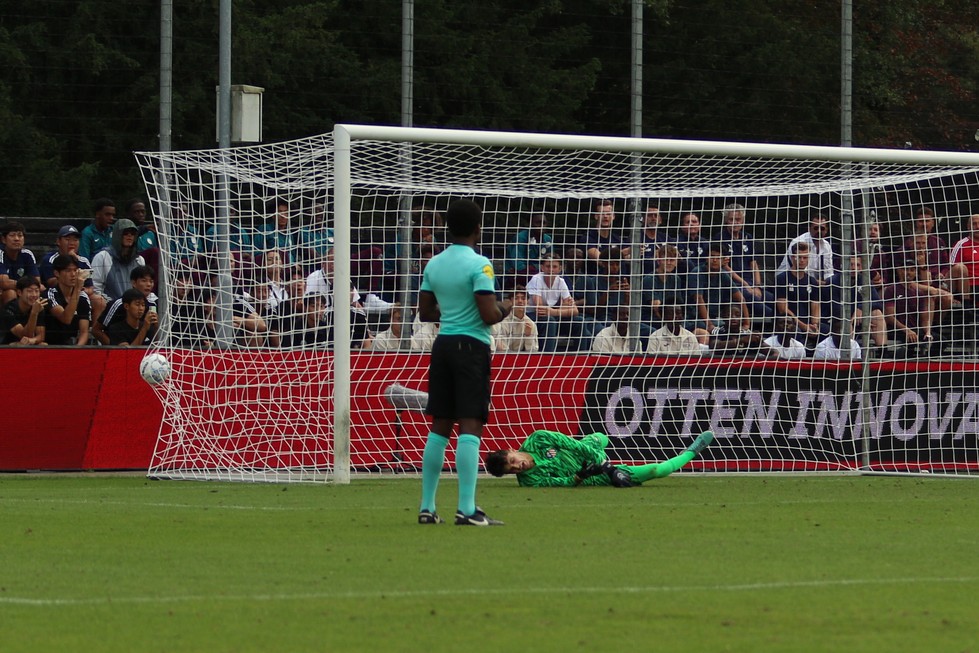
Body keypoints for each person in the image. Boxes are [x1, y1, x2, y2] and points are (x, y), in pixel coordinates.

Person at [415, 198, 509, 527]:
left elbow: (426, 312)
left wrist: (453, 312)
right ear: (477, 228)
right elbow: (488, 315)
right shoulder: (480, 264)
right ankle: (467, 509)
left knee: (440, 423)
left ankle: (427, 507)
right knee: (470, 424)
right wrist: (505, 307)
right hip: (471, 347)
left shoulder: (434, 264)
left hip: (442, 346)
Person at [485, 429, 714, 488]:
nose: (518, 467)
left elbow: (571, 444)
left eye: (513, 461)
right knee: (657, 472)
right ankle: (692, 451)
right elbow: (561, 484)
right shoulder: (529, 481)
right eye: (512, 471)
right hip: (592, 477)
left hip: (586, 451)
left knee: (599, 438)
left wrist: (606, 465)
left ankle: (603, 454)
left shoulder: (538, 439)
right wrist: (581, 475)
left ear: (510, 450)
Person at [711, 202, 772, 319]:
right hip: (734, 284)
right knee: (766, 310)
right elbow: (725, 267)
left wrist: (757, 286)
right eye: (731, 219)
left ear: (743, 220)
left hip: (751, 283)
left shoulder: (747, 237)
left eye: (738, 219)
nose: (735, 222)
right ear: (726, 221)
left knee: (776, 301)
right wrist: (746, 285)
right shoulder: (719, 238)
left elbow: (753, 264)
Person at [39, 225, 106, 322]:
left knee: (99, 301)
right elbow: (52, 283)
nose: (72, 243)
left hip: (78, 294)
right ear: (58, 241)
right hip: (56, 295)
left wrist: (78, 290)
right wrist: (77, 285)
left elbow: (90, 288)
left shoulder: (84, 261)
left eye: (75, 240)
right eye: (67, 239)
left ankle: (94, 333)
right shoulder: (49, 259)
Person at [772, 241, 825, 345]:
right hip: (789, 322)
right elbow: (783, 309)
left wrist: (814, 325)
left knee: (827, 331)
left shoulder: (812, 281)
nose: (802, 260)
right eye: (799, 257)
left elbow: (815, 306)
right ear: (792, 258)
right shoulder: (782, 279)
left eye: (805, 258)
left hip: (808, 322)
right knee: (796, 332)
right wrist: (803, 326)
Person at [526, 255, 580, 352]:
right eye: (548, 266)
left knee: (579, 321)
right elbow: (540, 309)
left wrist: (554, 311)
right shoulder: (536, 279)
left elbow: (575, 310)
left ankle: (581, 358)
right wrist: (562, 308)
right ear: (542, 267)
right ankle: (547, 358)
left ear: (560, 268)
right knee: (550, 321)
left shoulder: (561, 281)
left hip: (552, 315)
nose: (551, 269)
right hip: (532, 316)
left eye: (554, 267)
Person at [93, 265, 157, 345]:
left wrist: (156, 327)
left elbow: (154, 337)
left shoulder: (152, 305)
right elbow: (96, 330)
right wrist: (114, 347)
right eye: (144, 281)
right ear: (133, 283)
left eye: (151, 281)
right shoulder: (118, 304)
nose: (148, 284)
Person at [91, 219, 146, 304]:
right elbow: (95, 289)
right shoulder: (102, 257)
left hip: (134, 308)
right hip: (110, 307)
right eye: (126, 233)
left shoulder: (139, 260)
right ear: (117, 235)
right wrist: (115, 305)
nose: (129, 236)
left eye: (132, 234)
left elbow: (143, 288)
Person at [44, 254, 91, 346]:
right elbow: (66, 318)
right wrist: (77, 289)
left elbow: (84, 332)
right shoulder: (50, 294)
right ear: (57, 273)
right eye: (68, 270)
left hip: (72, 346)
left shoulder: (83, 297)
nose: (73, 274)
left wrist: (77, 349)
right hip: (49, 346)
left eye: (75, 270)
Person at [778, 214, 836, 283]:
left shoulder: (827, 246)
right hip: (788, 281)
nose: (819, 231)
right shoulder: (799, 242)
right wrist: (817, 283)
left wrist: (829, 283)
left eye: (822, 228)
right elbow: (801, 271)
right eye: (816, 228)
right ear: (809, 228)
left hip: (812, 283)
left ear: (826, 230)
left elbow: (828, 272)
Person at [504, 210, 553, 288]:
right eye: (538, 223)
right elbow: (518, 265)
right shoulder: (521, 238)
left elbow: (551, 261)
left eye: (544, 223)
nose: (542, 225)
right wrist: (538, 268)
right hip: (517, 277)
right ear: (530, 224)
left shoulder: (548, 239)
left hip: (540, 274)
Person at [0, 220, 41, 306]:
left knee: (38, 293)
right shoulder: (0, 253)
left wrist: (24, 287)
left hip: (22, 292)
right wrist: (26, 286)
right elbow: (4, 282)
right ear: (3, 239)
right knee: (10, 293)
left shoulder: (27, 254)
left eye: (20, 235)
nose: (16, 239)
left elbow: (36, 281)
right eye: (12, 235)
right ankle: (11, 319)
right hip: (4, 294)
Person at [0, 276, 47, 345]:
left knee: (43, 344)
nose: (34, 295)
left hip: (26, 342)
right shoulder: (8, 309)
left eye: (37, 291)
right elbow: (25, 335)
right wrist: (34, 313)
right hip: (7, 345)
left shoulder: (38, 306)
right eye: (30, 291)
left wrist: (32, 340)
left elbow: (41, 335)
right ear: (19, 292)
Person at [492, 285, 539, 352]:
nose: (520, 301)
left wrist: (528, 336)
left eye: (523, 299)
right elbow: (502, 349)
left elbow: (533, 351)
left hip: (522, 359)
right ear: (510, 301)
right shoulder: (502, 321)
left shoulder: (531, 324)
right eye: (516, 298)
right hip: (504, 358)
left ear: (527, 302)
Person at [948, 214, 979, 305]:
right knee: (960, 267)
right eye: (974, 224)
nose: (977, 227)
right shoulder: (961, 244)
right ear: (969, 227)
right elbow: (953, 268)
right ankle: (966, 305)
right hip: (969, 285)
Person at [637, 203, 672, 274]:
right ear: (643, 219)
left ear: (660, 220)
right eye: (650, 215)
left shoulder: (665, 238)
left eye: (656, 216)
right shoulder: (636, 237)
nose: (653, 218)